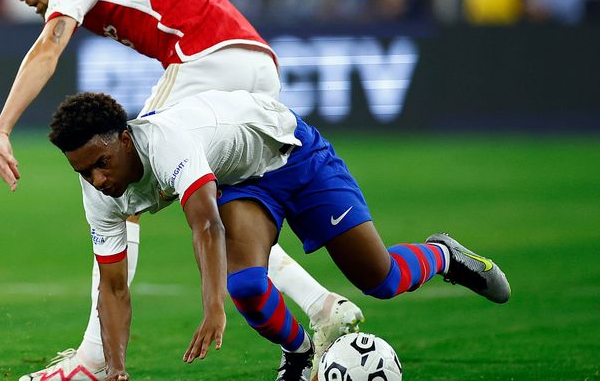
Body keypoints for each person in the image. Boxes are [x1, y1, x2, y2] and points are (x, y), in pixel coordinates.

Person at [0, 0, 363, 380]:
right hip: (254, 62)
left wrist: (3, 127)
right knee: (206, 195)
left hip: (208, 58)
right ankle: (323, 305)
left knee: (123, 190)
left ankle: (93, 361)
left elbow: (50, 47)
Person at [48, 90, 511, 381]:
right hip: (244, 186)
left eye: (101, 163)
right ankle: (301, 355)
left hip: (295, 155)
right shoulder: (99, 196)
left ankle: (443, 254)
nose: (97, 179)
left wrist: (213, 310)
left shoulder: (168, 142)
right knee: (247, 284)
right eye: (83, 171)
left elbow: (206, 224)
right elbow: (113, 286)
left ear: (126, 139)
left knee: (380, 279)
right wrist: (116, 369)